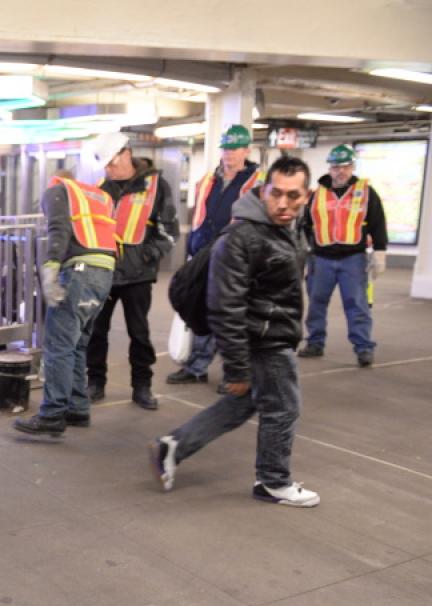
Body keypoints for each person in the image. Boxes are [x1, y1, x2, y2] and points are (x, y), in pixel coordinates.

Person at [150, 156, 320, 508]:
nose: (284, 203)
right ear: (263, 190)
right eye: (276, 194)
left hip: (274, 332)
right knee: (283, 409)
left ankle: (176, 446)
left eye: (294, 195)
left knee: (244, 404)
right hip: (263, 339)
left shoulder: (286, 229)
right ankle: (273, 481)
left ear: (306, 195)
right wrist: (237, 366)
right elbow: (225, 305)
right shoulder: (243, 236)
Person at [13, 169, 117, 437]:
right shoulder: (97, 196)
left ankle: (52, 414)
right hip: (104, 273)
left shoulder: (57, 191)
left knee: (58, 345)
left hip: (79, 272)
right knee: (78, 343)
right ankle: (77, 408)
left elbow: (58, 230)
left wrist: (50, 269)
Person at [84, 132, 179, 409]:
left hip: (138, 275)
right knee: (97, 332)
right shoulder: (102, 188)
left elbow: (169, 231)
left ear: (126, 154)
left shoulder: (155, 186)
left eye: (112, 163)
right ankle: (96, 383)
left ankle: (142, 386)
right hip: (104, 273)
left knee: (139, 333)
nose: (109, 169)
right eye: (105, 165)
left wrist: (148, 255)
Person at [167, 124, 264, 389]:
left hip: (236, 257)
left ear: (247, 150)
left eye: (234, 149)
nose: (229, 154)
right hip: (204, 253)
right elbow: (199, 215)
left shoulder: (258, 183)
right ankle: (196, 367)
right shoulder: (208, 180)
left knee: (233, 317)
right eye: (226, 148)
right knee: (202, 311)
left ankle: (236, 374)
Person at [298, 144, 388, 366]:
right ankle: (315, 343)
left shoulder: (365, 192)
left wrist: (380, 252)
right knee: (316, 304)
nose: (341, 171)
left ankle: (363, 347)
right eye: (336, 167)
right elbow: (306, 225)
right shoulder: (317, 194)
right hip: (321, 259)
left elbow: (377, 223)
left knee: (357, 304)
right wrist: (305, 250)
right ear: (330, 168)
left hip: (353, 259)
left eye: (345, 166)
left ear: (352, 167)